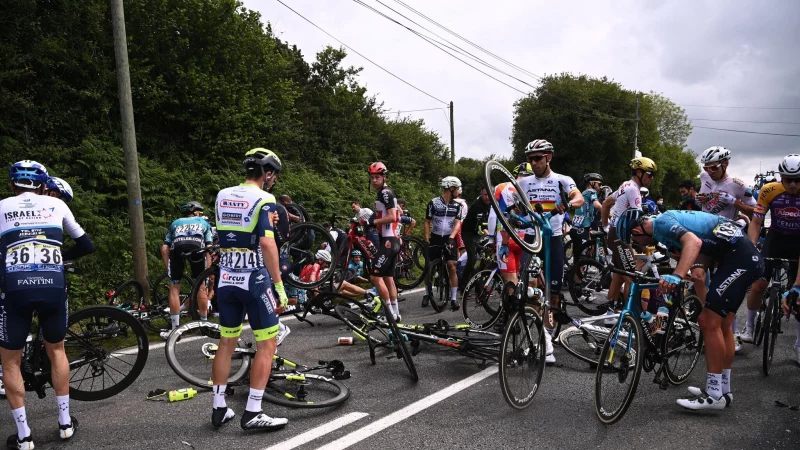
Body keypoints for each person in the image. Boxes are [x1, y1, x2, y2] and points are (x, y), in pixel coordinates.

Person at [616, 208, 763, 410]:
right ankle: (723, 390)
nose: (637, 244)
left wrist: (677, 275)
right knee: (722, 324)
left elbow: (693, 242)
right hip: (738, 256)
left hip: (740, 259)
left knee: (710, 323)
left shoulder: (662, 223)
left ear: (638, 228)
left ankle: (713, 395)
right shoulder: (668, 225)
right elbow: (698, 271)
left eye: (634, 238)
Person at [1, 160, 95, 449]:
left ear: (11, 185)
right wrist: (57, 251)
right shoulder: (57, 206)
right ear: (44, 186)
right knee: (57, 350)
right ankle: (65, 423)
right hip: (53, 285)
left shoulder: (2, 206)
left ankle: (24, 436)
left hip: (14, 289)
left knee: (10, 360)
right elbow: (86, 245)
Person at [210, 148, 289, 431]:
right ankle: (253, 412)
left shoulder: (221, 194)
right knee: (266, 345)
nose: (273, 181)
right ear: (267, 174)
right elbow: (267, 244)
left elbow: (229, 232)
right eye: (274, 176)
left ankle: (219, 408)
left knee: (226, 343)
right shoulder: (265, 198)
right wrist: (278, 286)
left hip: (226, 278)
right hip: (253, 278)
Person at [518, 140, 584, 365]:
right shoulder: (523, 181)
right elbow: (512, 201)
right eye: (530, 159)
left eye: (538, 158)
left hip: (553, 237)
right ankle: (541, 337)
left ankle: (547, 331)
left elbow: (579, 197)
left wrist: (569, 204)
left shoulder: (562, 180)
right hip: (531, 238)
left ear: (549, 158)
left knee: (553, 291)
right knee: (530, 286)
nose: (533, 163)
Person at [696, 146, 757, 352]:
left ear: (725, 164)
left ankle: (733, 333)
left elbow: (755, 211)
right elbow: (703, 198)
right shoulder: (704, 176)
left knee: (724, 289)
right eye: (707, 168)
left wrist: (734, 202)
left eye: (713, 168)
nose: (710, 171)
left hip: (726, 239)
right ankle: (708, 326)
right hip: (705, 233)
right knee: (699, 278)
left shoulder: (738, 185)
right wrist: (699, 199)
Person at [741, 155, 800, 365]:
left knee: (799, 296)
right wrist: (751, 248)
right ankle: (749, 328)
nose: (793, 184)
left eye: (798, 179)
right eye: (788, 179)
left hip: (798, 243)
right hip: (775, 238)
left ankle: (799, 345)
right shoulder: (769, 190)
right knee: (758, 284)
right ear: (781, 177)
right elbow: (756, 222)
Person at [601, 156, 657, 318]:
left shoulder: (625, 185)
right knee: (632, 276)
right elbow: (639, 219)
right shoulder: (633, 189)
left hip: (616, 234)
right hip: (620, 236)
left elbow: (606, 204)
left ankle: (610, 313)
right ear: (639, 172)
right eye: (650, 174)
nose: (652, 178)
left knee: (619, 275)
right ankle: (633, 315)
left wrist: (605, 226)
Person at [160, 201, 213, 339]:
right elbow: (209, 248)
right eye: (199, 211)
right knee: (201, 285)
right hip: (197, 247)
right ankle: (204, 325)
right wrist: (208, 270)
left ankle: (175, 330)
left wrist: (169, 269)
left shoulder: (175, 223)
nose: (201, 213)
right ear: (195, 212)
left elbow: (164, 248)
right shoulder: (203, 222)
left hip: (177, 247)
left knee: (174, 287)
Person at [361, 162, 402, 320]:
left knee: (375, 277)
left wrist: (372, 223)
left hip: (389, 241)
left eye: (377, 177)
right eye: (372, 177)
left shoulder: (385, 193)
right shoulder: (386, 192)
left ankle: (389, 314)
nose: (374, 180)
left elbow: (392, 217)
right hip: (392, 240)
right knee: (388, 278)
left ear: (384, 177)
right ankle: (396, 313)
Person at [423, 176, 465, 311]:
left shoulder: (458, 206)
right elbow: (427, 222)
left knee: (452, 266)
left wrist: (452, 237)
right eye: (457, 189)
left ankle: (453, 298)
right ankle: (426, 293)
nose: (459, 192)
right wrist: (426, 239)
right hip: (435, 237)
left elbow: (457, 223)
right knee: (429, 266)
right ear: (451, 188)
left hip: (449, 237)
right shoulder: (433, 203)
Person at [458, 186, 492, 294]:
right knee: (473, 258)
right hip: (469, 233)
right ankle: (464, 286)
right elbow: (481, 226)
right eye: (484, 195)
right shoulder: (478, 206)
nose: (487, 197)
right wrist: (491, 236)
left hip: (479, 233)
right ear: (481, 195)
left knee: (485, 257)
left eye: (488, 195)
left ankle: (480, 285)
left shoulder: (492, 203)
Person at [570, 173, 604, 259]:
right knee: (582, 257)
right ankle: (581, 270)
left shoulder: (582, 193)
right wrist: (609, 214)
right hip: (582, 228)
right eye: (599, 184)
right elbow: (597, 205)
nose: (600, 187)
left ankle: (577, 271)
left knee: (577, 256)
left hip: (575, 227)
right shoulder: (591, 192)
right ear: (591, 183)